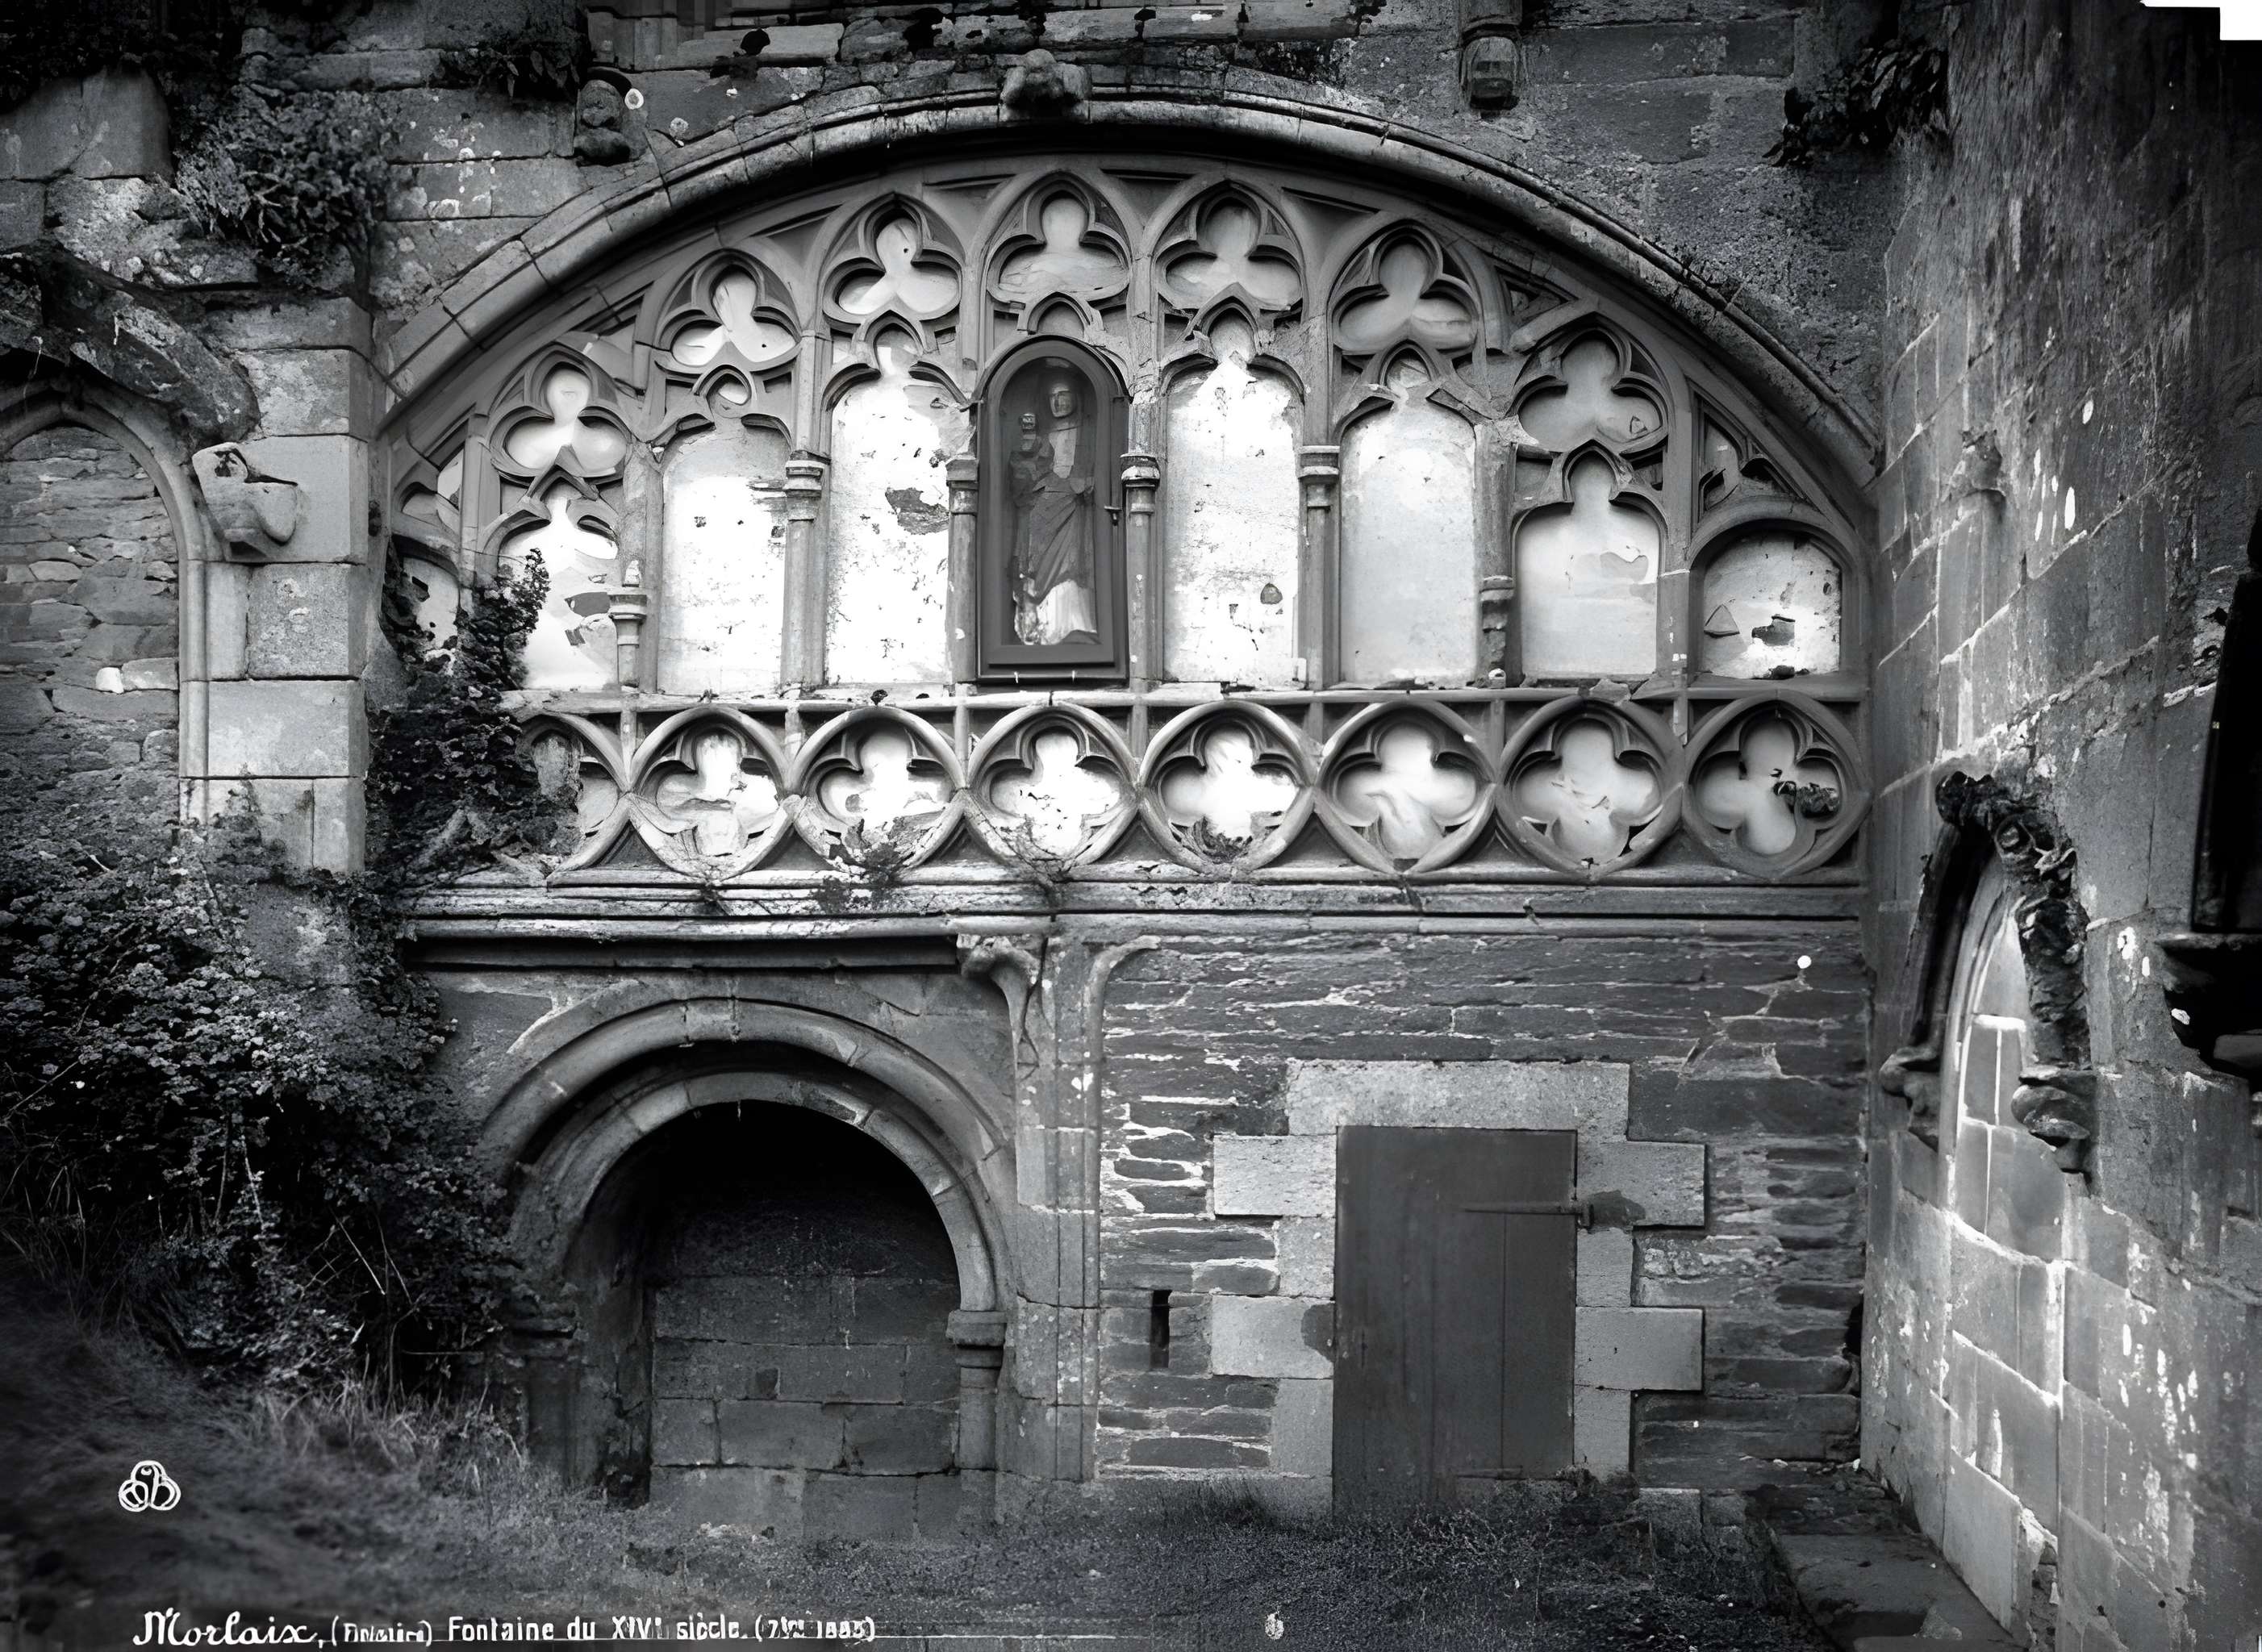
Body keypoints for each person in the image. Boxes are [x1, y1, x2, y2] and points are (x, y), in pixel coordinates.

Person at [1008, 377, 1099, 645]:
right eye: (1052, 397)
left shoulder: (1090, 433)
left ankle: (1072, 627)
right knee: (1035, 563)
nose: (1058, 402)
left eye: (1063, 395)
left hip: (1075, 511)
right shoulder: (1041, 437)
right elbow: (1024, 478)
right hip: (1042, 510)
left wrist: (1084, 483)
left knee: (1071, 564)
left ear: (1076, 397)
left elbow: (1096, 473)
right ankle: (1041, 630)